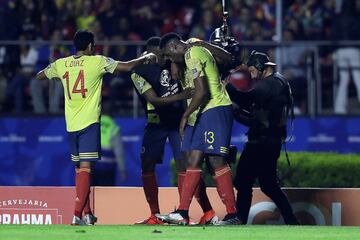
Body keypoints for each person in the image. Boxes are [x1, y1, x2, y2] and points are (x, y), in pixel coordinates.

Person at [35, 29, 156, 225]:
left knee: (79, 171)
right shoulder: (97, 61)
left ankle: (87, 214)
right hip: (89, 123)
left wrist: (58, 76)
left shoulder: (61, 64)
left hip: (71, 125)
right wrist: (145, 57)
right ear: (90, 46)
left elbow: (39, 75)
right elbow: (125, 67)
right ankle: (76, 215)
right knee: (86, 168)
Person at [131, 37, 217, 225]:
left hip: (178, 120)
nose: (162, 59)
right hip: (156, 123)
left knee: (185, 166)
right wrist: (182, 95)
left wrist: (176, 64)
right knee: (147, 164)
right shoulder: (139, 73)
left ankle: (196, 212)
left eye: (164, 55)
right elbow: (154, 100)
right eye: (157, 55)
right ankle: (155, 215)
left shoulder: (178, 62)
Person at [156, 33, 239, 225]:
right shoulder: (188, 51)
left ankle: (232, 214)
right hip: (200, 113)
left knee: (215, 159)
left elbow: (202, 92)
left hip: (214, 107)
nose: (169, 60)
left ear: (176, 46)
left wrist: (184, 116)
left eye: (169, 55)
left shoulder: (192, 53)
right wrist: (176, 63)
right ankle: (183, 212)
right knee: (192, 160)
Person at [225, 50, 299, 225]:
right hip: (268, 140)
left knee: (243, 180)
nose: (250, 75)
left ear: (259, 67)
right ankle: (291, 219)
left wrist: (226, 86)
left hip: (262, 142)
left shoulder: (271, 84)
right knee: (268, 184)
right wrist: (236, 112)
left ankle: (239, 218)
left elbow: (246, 98)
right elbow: (258, 118)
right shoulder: (278, 82)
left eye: (251, 70)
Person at [92, 114, 126, 186]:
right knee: (106, 194)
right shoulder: (113, 127)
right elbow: (118, 152)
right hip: (107, 168)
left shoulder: (93, 123)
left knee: (93, 193)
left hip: (93, 165)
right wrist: (122, 170)